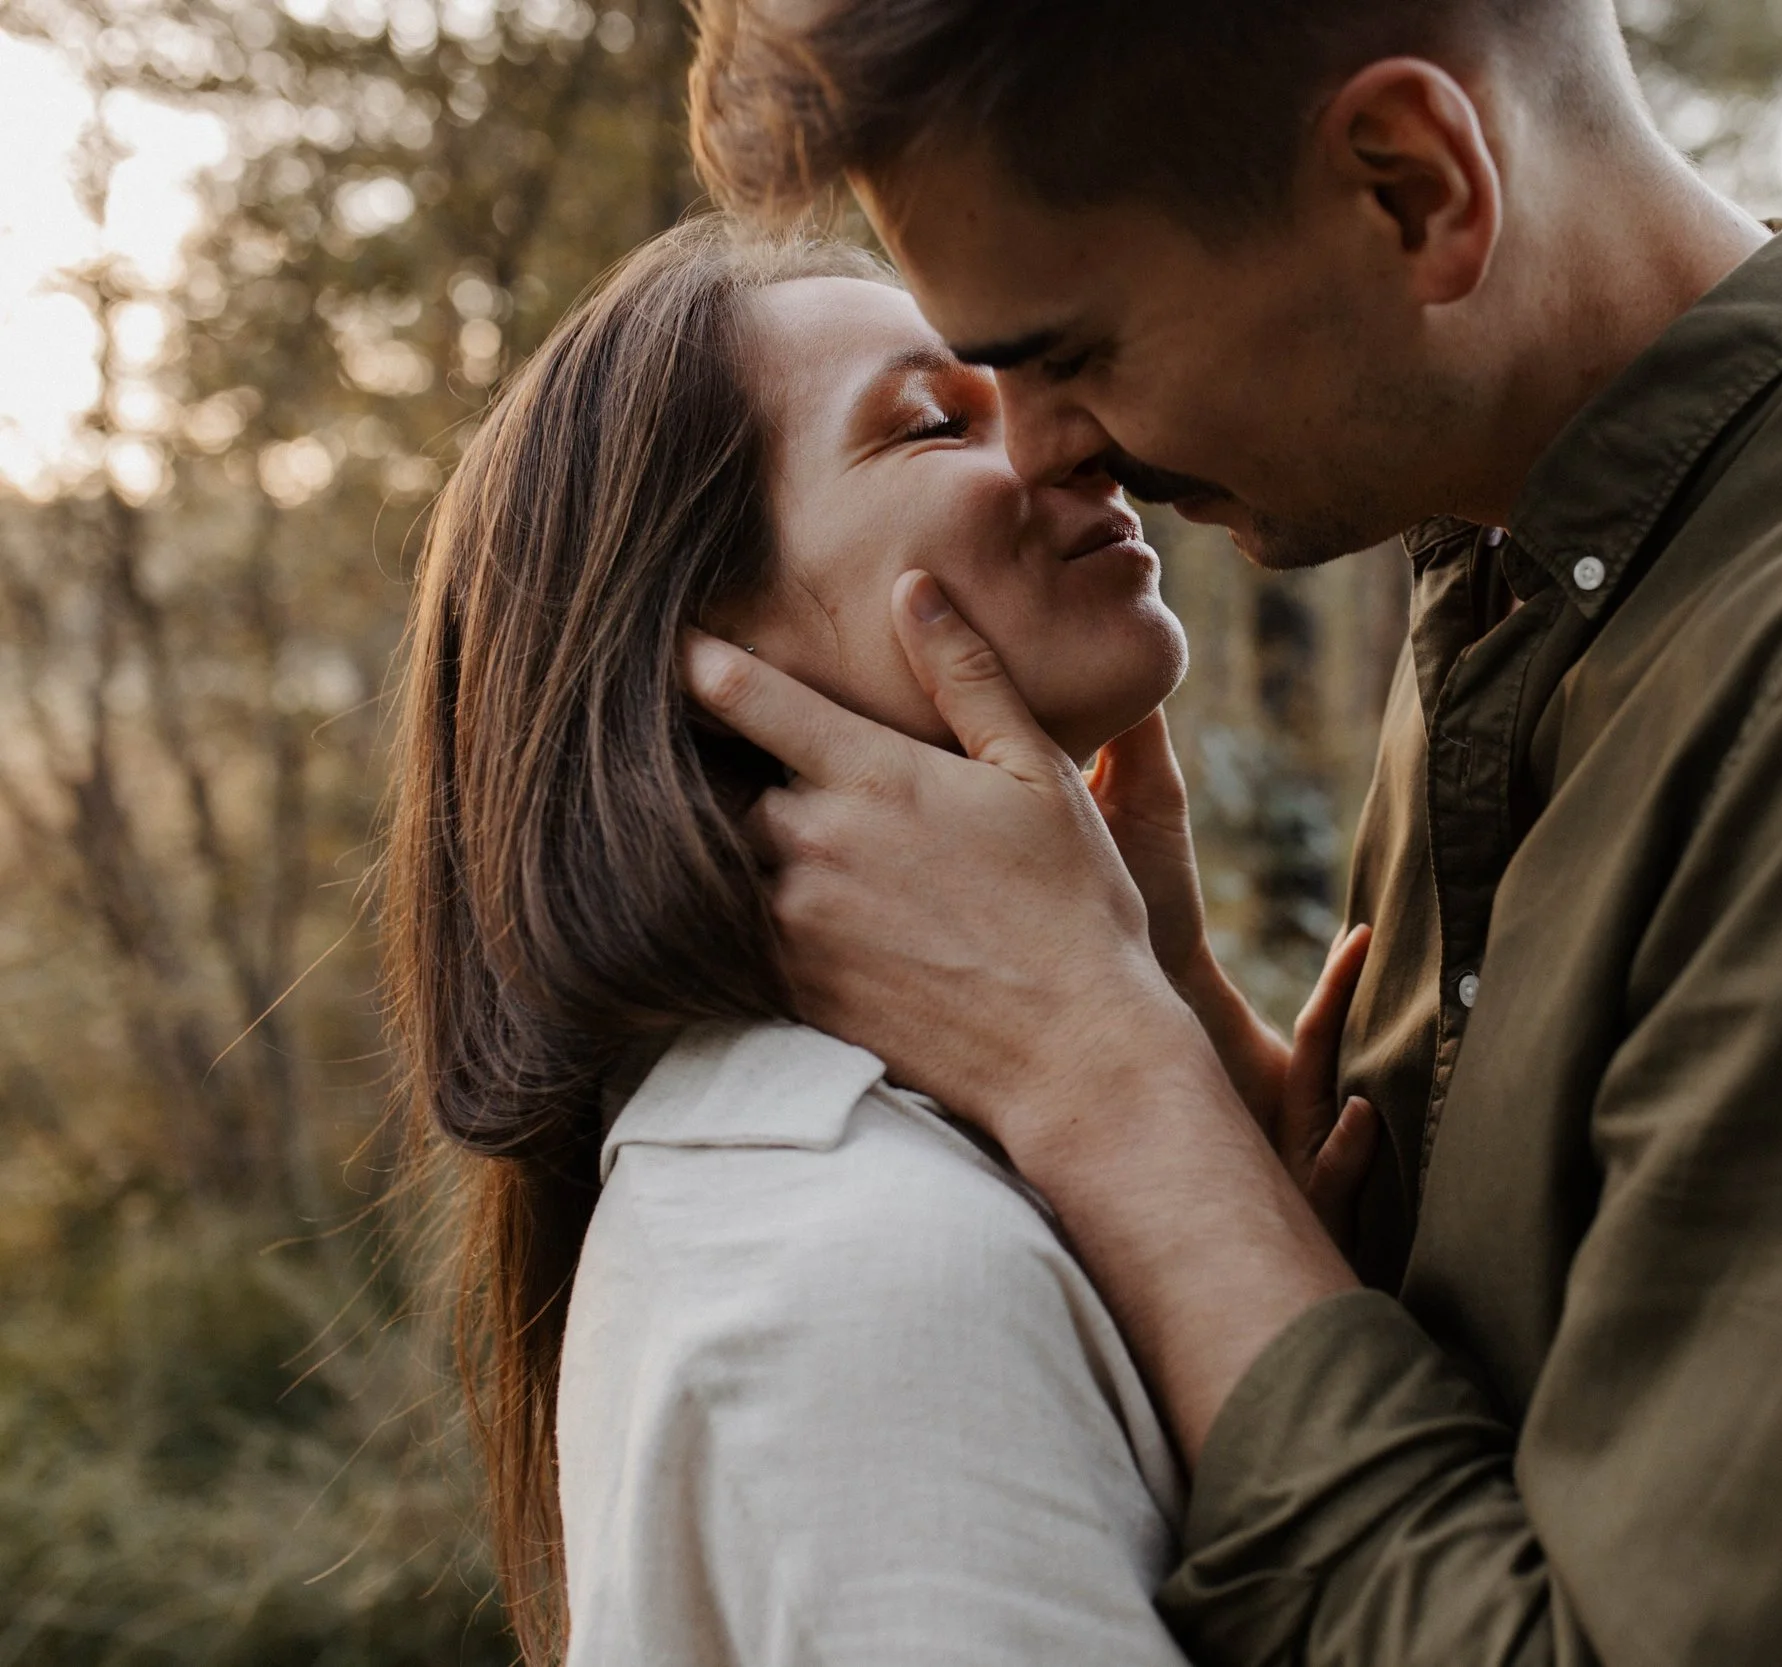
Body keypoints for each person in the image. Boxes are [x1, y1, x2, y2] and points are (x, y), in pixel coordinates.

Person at [678, 3, 1782, 1665]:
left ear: (1413, 186)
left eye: (1070, 356)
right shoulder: (1532, 583)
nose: (1048, 451)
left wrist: (1100, 1076)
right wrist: (1210, 1109)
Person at [379, 220, 1373, 1667]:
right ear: (716, 647)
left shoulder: (933, 1176)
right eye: (932, 419)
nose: (1075, 437)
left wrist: (1236, 1230)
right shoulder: (850, 1268)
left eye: (1029, 380)